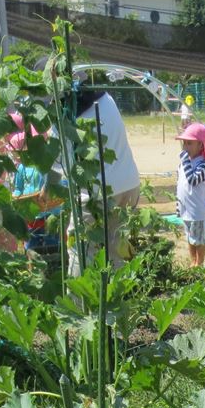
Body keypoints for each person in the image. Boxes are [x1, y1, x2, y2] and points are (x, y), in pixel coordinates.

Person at [65, 84, 141, 271]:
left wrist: (48, 187)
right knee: (116, 249)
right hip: (129, 184)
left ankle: (80, 290)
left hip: (98, 193)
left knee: (80, 247)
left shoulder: (67, 115)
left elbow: (64, 164)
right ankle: (118, 288)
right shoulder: (107, 99)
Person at [175, 122, 205, 267]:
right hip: (186, 210)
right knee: (190, 238)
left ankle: (199, 263)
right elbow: (180, 185)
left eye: (189, 143)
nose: (185, 147)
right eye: (184, 143)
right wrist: (178, 206)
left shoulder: (203, 165)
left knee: (199, 240)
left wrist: (185, 161)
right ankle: (193, 262)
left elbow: (193, 180)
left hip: (198, 212)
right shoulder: (184, 164)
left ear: (200, 145)